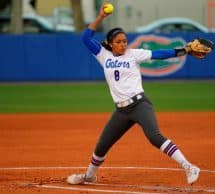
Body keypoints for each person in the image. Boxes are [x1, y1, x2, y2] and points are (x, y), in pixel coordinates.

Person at [66, 3, 200, 185]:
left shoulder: (133, 54)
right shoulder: (103, 55)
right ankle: (90, 176)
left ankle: (189, 167)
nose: (123, 44)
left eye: (124, 41)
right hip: (121, 111)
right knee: (102, 145)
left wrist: (183, 50)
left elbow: (159, 53)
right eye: (119, 42)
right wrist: (100, 17)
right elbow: (85, 38)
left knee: (154, 137)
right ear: (110, 43)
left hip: (139, 105)